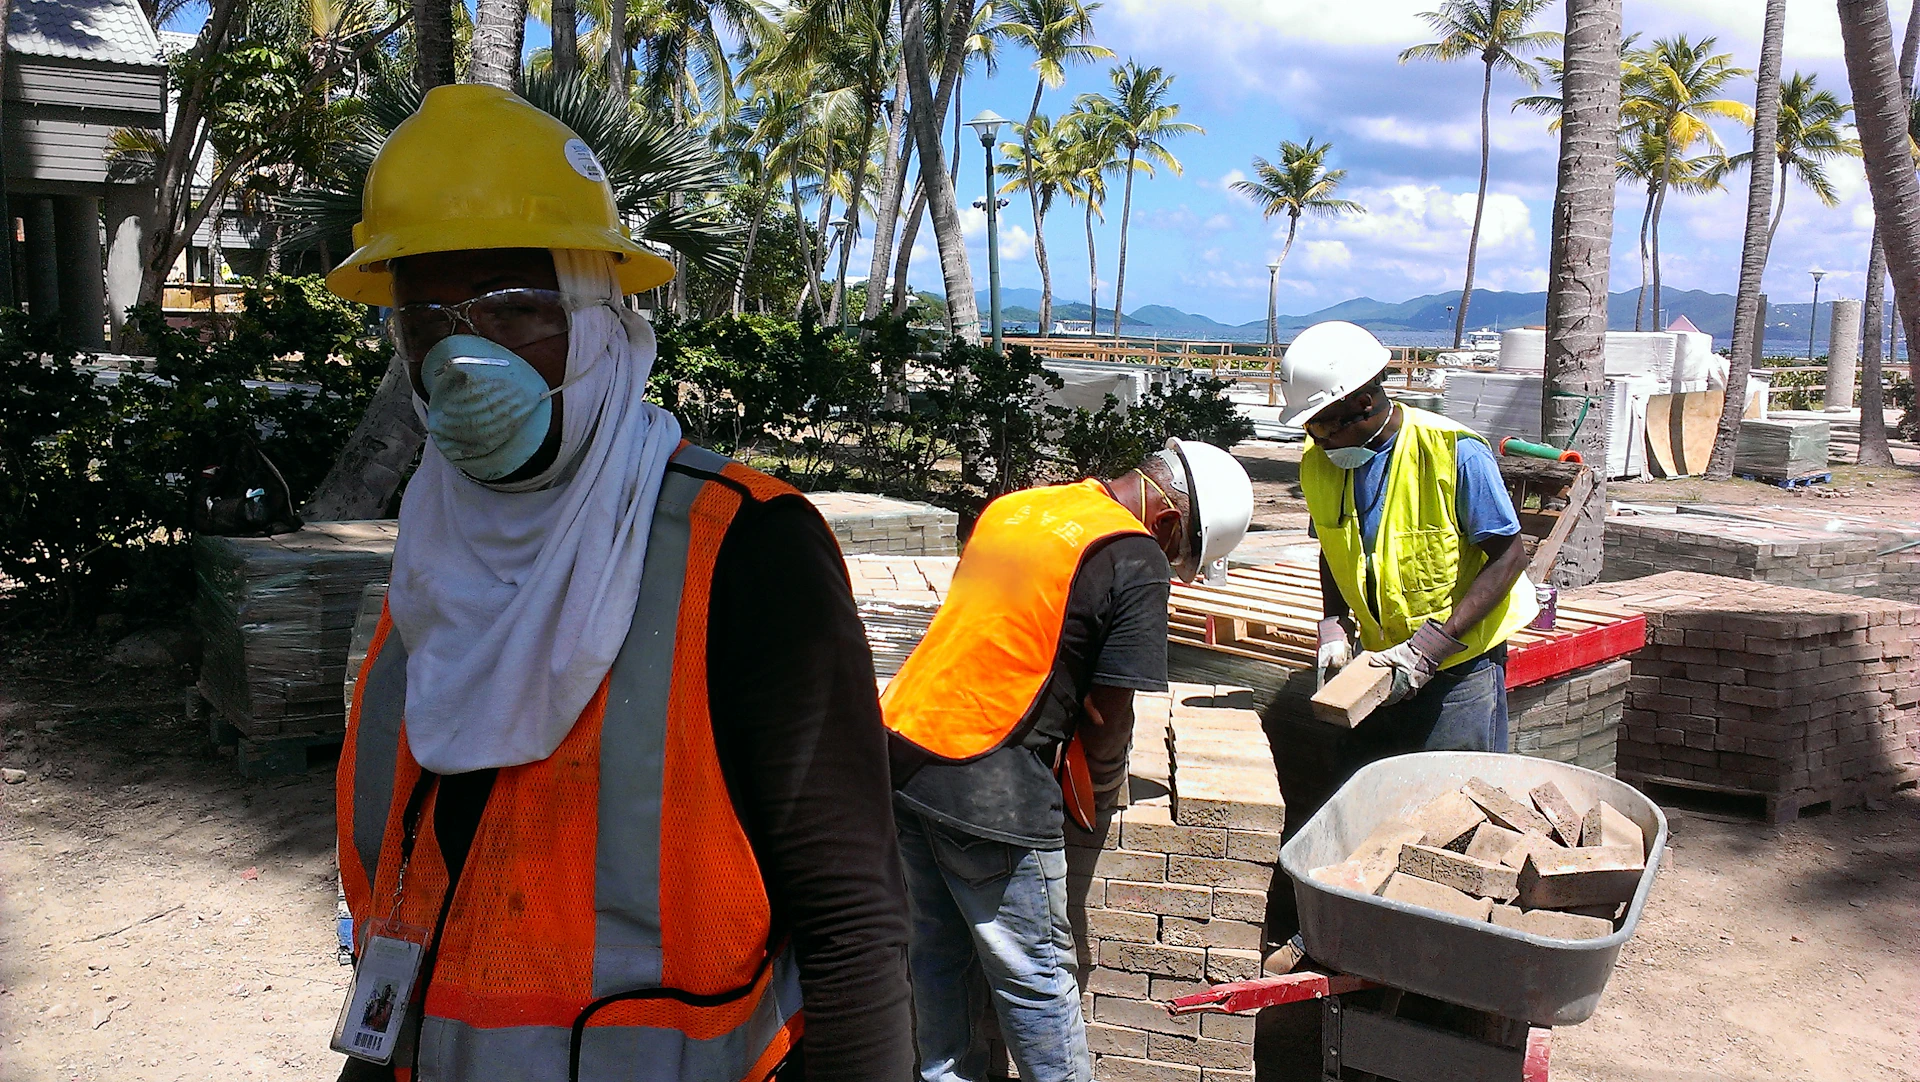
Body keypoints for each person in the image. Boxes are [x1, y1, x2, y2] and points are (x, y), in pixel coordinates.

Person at [326, 84, 911, 1081]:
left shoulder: (744, 549)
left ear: (601, 320)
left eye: (514, 307)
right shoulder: (435, 547)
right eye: (428, 318)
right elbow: (425, 879)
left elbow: (851, 911)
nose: (465, 357)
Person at [882, 441, 1253, 1082]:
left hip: (901, 747)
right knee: (1038, 977)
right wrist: (1100, 793)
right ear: (1168, 522)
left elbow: (1001, 637)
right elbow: (1108, 713)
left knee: (936, 953)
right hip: (985, 781)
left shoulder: (1021, 507)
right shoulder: (1133, 552)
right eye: (1181, 555)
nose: (1173, 567)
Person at [1278, 320, 1537, 771]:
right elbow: (1335, 545)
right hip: (1381, 662)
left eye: (1324, 428)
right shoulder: (1321, 461)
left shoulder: (1453, 451)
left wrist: (1431, 648)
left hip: (1460, 666)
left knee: (1457, 798)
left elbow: (1509, 555)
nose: (1317, 441)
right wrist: (1334, 622)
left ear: (1363, 402)